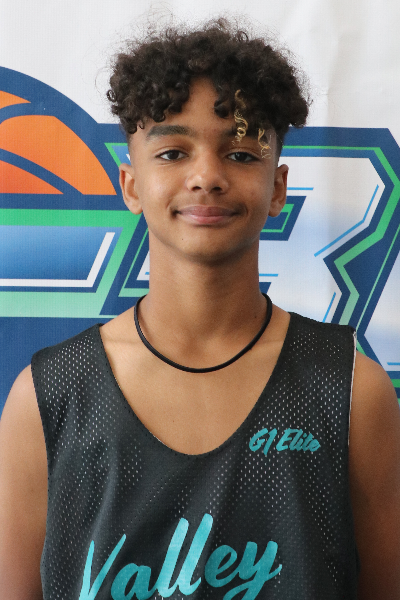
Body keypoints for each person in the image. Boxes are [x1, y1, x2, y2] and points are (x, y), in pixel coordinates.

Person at [0, 15, 399, 600]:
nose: (207, 176)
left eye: (240, 153)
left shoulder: (351, 391)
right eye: (172, 152)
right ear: (131, 185)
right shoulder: (48, 397)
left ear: (278, 187)